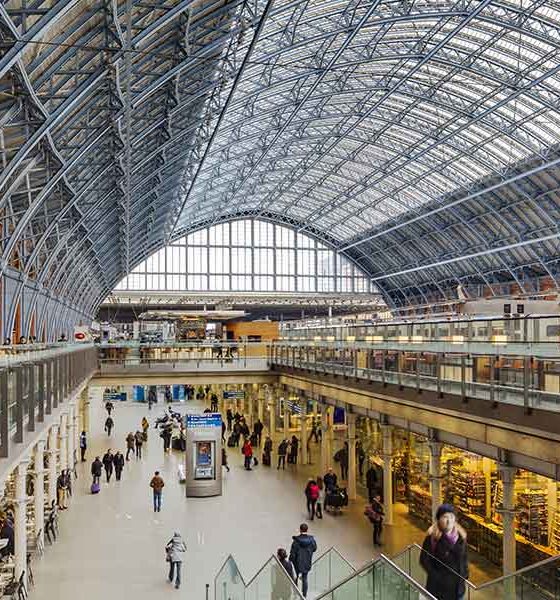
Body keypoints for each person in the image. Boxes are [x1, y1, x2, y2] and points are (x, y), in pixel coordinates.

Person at [420, 504, 468, 600]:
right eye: (445, 517)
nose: (448, 520)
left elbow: (464, 558)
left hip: (458, 589)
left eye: (451, 517)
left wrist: (465, 574)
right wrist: (437, 577)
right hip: (439, 590)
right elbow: (424, 559)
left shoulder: (460, 537)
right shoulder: (432, 537)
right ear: (438, 519)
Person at [289, 523, 317, 598]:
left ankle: (295, 592)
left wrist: (290, 560)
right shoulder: (311, 540)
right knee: (305, 578)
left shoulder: (296, 541)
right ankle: (304, 595)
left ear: (300, 530)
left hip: (297, 563)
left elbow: (293, 553)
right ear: (307, 530)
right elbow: (314, 549)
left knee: (296, 576)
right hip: (307, 562)